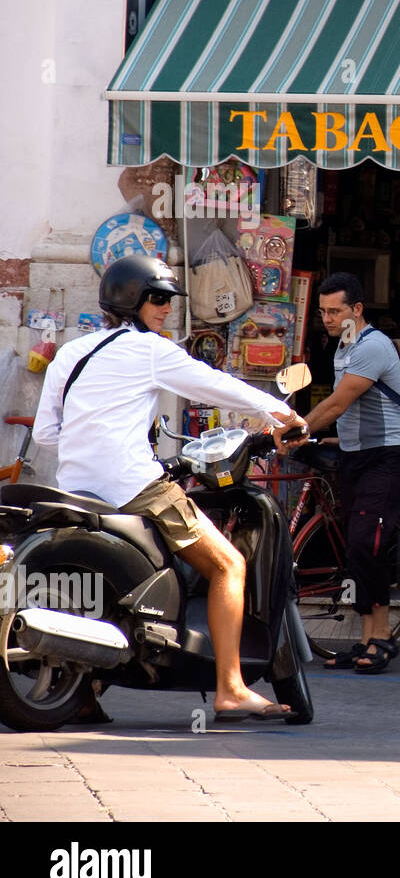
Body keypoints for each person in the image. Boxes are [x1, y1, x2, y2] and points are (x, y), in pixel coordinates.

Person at [33, 255, 309, 721]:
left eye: (167, 300)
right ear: (132, 300)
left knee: (101, 587)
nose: (166, 309)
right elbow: (216, 385)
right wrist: (282, 416)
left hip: (76, 490)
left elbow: (45, 435)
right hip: (135, 487)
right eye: (158, 299)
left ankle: (84, 694)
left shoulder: (69, 354)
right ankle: (231, 687)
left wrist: (100, 438)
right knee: (228, 565)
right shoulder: (150, 351)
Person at [303, 273, 400, 674]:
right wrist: (334, 439)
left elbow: (338, 401)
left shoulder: (373, 346)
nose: (327, 318)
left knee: (368, 543)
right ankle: (367, 637)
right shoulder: (343, 347)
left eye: (335, 311)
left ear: (357, 310)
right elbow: (347, 410)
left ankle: (382, 636)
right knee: (355, 549)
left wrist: (299, 430)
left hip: (385, 458)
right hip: (355, 455)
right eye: (323, 311)